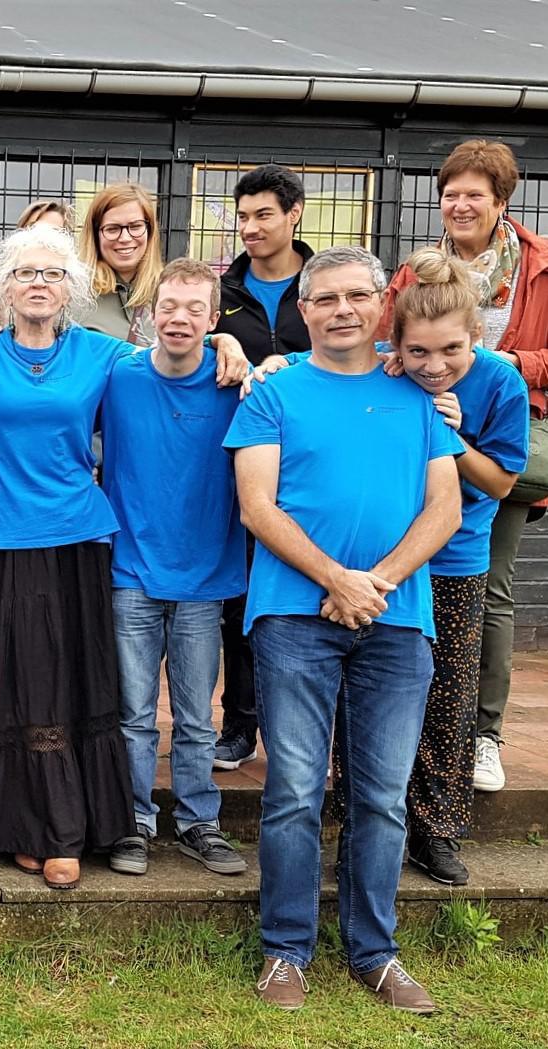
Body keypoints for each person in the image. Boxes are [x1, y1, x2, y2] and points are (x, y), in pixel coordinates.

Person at [0, 225, 248, 891]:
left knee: (75, 691)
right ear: (3, 287)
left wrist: (231, 342)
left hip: (80, 542)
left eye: (51, 273)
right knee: (14, 688)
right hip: (2, 542)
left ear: (72, 288)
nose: (38, 282)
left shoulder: (106, 356)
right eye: (25, 273)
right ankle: (23, 824)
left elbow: (175, 356)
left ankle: (72, 825)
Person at [226, 246, 460, 1014]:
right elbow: (258, 506)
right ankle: (284, 951)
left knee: (383, 796)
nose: (342, 310)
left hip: (397, 621)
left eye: (357, 295)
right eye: (323, 299)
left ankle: (376, 952)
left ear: (380, 303)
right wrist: (335, 579)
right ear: (305, 308)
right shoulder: (274, 392)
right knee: (292, 789)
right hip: (295, 618)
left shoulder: (421, 394)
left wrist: (375, 583)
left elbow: (445, 511)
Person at [378, 140, 548, 795]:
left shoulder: (536, 266)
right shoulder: (420, 268)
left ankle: (484, 734)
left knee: (491, 586)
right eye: (452, 193)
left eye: (475, 193)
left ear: (501, 201)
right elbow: (384, 333)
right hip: (422, 437)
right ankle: (421, 723)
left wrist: (514, 364)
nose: (461, 204)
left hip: (497, 434)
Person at [100, 259, 248, 879]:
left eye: (195, 309)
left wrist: (238, 350)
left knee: (195, 715)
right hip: (132, 570)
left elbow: (333, 359)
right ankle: (134, 820)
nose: (179, 318)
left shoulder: (238, 381)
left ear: (213, 320)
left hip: (204, 577)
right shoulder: (118, 375)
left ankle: (197, 823)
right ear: (149, 313)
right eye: (169, 306)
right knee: (132, 713)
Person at [388, 249, 528, 886]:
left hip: (456, 562)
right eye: (418, 353)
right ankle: (367, 822)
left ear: (474, 335)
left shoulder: (500, 382)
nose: (434, 366)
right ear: (397, 344)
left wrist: (455, 437)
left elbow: (500, 483)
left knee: (449, 700)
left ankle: (437, 830)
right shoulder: (386, 375)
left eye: (449, 350)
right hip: (385, 562)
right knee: (373, 699)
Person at [212, 163, 315, 772]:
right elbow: (180, 337)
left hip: (308, 469)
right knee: (239, 601)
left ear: (293, 213)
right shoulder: (223, 294)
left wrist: (291, 363)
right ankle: (239, 724)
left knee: (292, 599)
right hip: (237, 465)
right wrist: (217, 341)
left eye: (263, 215)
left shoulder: (323, 287)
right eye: (243, 217)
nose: (250, 228)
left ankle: (294, 728)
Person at [79, 182, 161, 346]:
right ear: (95, 235)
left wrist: (218, 340)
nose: (124, 238)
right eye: (112, 229)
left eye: (135, 226)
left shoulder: (168, 291)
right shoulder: (76, 296)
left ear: (150, 231)